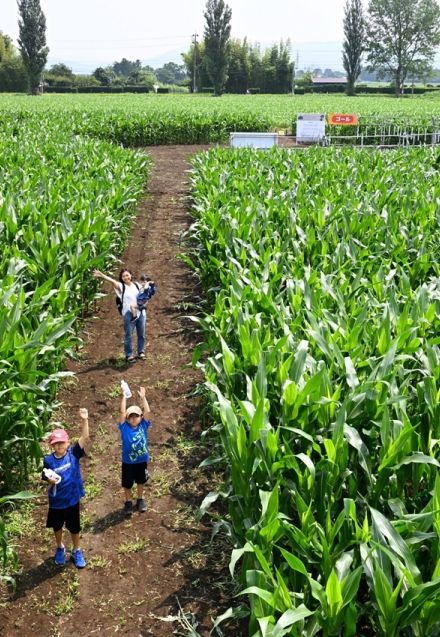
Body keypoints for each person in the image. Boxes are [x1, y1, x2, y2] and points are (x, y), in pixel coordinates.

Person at [42, 408, 90, 568]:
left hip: (72, 500)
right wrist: (50, 480)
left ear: (68, 443)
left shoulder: (73, 454)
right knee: (57, 526)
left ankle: (76, 550)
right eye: (55, 444)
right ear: (51, 446)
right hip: (56, 501)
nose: (59, 446)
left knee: (74, 527)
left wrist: (84, 419)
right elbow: (46, 477)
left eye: (62, 442)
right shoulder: (48, 460)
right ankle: (60, 547)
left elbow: (85, 437)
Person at [93, 268, 149, 363]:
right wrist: (102, 275)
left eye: (127, 275)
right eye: (123, 276)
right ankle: (129, 355)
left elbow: (145, 294)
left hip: (140, 312)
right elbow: (111, 281)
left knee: (141, 334)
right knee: (128, 335)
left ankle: (140, 352)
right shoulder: (121, 286)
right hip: (128, 314)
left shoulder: (136, 285)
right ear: (121, 278)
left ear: (130, 275)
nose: (126, 277)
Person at [118, 386, 151, 517]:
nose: (133, 419)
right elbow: (121, 412)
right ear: (127, 418)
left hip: (141, 460)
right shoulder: (124, 427)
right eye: (130, 416)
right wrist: (124, 397)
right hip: (128, 462)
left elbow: (148, 411)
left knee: (140, 481)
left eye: (136, 416)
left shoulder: (143, 425)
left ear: (140, 417)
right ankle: (128, 501)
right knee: (127, 483)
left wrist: (143, 398)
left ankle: (140, 499)